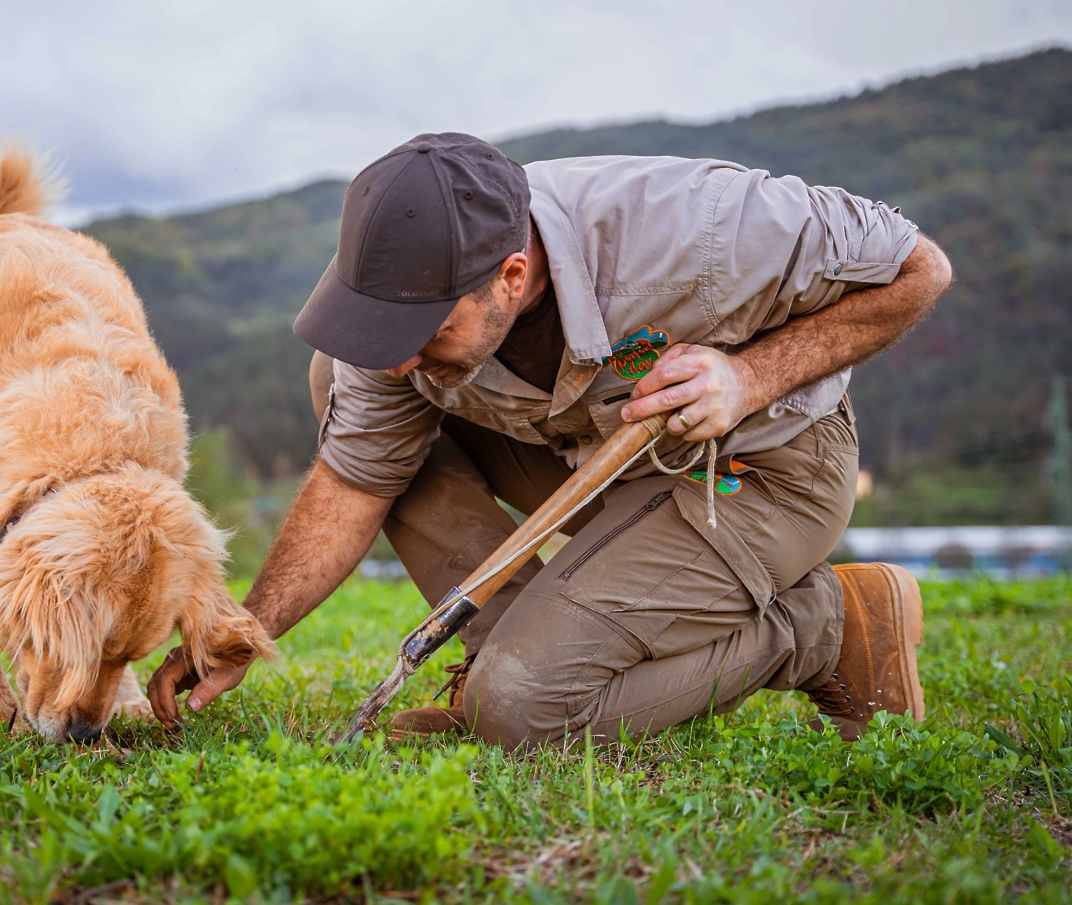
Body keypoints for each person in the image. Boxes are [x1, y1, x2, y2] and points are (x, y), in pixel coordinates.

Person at [148, 132, 952, 749]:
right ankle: (508, 665)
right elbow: (357, 481)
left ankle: (825, 625)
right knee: (343, 376)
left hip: (752, 471)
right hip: (591, 464)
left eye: (424, 328)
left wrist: (753, 376)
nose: (397, 353)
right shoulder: (399, 321)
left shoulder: (703, 229)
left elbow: (921, 269)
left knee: (526, 712)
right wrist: (242, 630)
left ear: (510, 273)